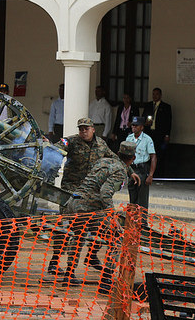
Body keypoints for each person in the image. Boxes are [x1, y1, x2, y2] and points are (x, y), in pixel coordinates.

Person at [48, 141, 136, 288]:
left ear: (119, 154)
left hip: (74, 202)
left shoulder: (103, 161)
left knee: (78, 237)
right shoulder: (120, 171)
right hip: (90, 206)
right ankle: (106, 279)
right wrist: (112, 216)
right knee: (115, 237)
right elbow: (105, 193)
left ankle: (69, 275)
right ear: (132, 158)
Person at [47, 117, 118, 275]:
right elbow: (56, 149)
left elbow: (114, 159)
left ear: (93, 129)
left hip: (91, 192)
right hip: (70, 191)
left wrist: (130, 172)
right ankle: (55, 262)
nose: (83, 131)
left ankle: (92, 256)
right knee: (67, 227)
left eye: (86, 128)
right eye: (81, 129)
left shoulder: (101, 145)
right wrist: (47, 145)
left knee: (101, 224)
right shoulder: (71, 142)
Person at [126, 116, 156, 208]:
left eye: (136, 125)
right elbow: (126, 157)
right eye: (132, 125)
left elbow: (153, 157)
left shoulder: (147, 139)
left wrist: (150, 175)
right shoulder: (129, 138)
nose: (133, 127)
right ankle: (132, 222)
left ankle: (142, 222)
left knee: (142, 201)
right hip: (132, 170)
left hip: (142, 170)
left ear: (142, 127)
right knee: (132, 199)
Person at [143, 87, 172, 177]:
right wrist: (145, 123)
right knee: (148, 153)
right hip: (149, 132)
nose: (154, 96)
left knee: (158, 154)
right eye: (153, 94)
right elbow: (142, 117)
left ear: (160, 95)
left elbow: (168, 122)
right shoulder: (148, 105)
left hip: (159, 133)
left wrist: (167, 134)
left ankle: (158, 174)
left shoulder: (166, 107)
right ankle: (147, 173)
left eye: (157, 94)